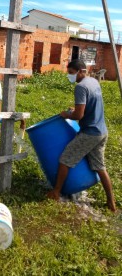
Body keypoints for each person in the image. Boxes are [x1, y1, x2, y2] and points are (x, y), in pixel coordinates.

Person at [47, 59, 116, 212]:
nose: (69, 76)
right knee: (100, 167)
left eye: (71, 73)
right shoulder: (93, 81)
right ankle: (111, 202)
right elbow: (90, 105)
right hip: (101, 131)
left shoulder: (80, 87)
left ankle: (56, 192)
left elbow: (79, 115)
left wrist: (67, 114)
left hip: (90, 133)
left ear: (80, 71)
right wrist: (76, 109)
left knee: (65, 160)